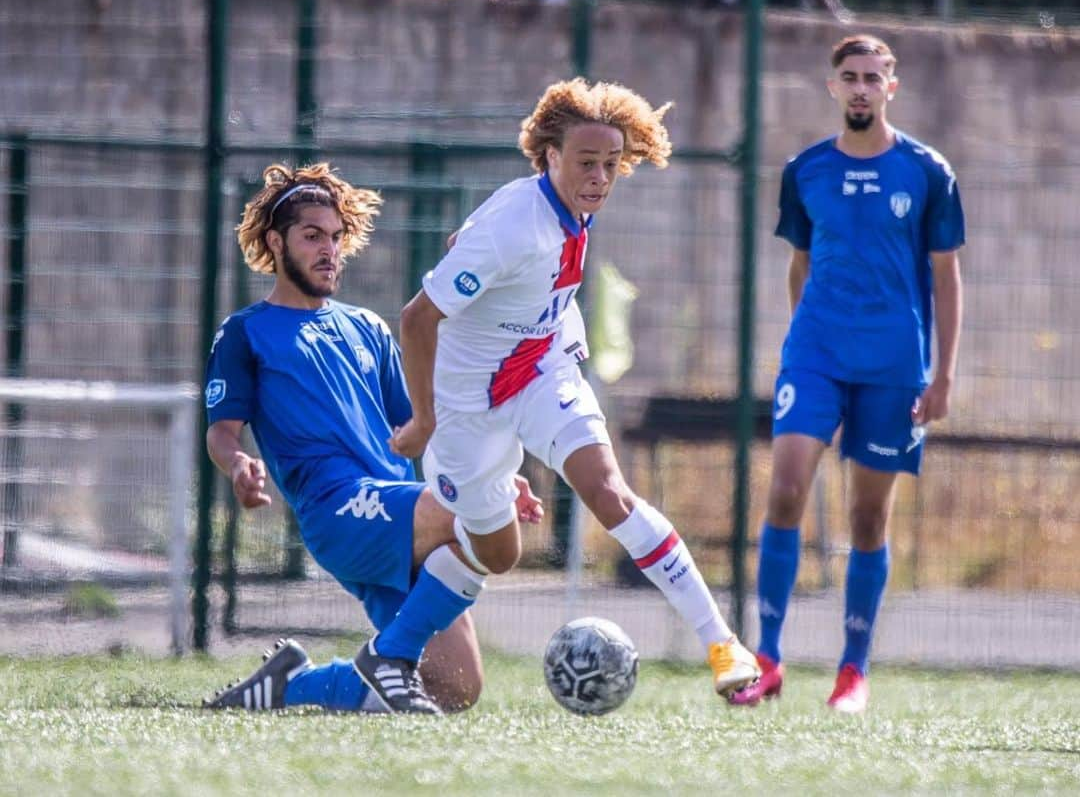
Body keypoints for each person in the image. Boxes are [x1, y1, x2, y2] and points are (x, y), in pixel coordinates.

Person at [386, 77, 761, 703]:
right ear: (550, 155)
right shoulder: (513, 223)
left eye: (611, 164)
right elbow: (417, 318)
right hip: (466, 411)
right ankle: (397, 640)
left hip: (540, 371)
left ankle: (722, 644)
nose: (600, 176)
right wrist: (423, 421)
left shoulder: (573, 212)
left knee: (609, 492)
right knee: (497, 555)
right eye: (586, 162)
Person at [202, 162, 543, 715]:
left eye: (335, 238)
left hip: (398, 511)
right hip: (339, 508)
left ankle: (294, 683)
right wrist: (238, 463)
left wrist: (499, 473)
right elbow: (221, 430)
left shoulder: (367, 327)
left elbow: (423, 427)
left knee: (456, 687)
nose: (328, 250)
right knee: (484, 523)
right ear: (275, 241)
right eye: (312, 236)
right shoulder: (246, 332)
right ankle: (390, 655)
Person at [729, 35, 964, 713]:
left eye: (873, 78)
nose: (860, 88)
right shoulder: (804, 170)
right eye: (849, 77)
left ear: (893, 87)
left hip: (894, 362)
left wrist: (942, 374)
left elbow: (948, 278)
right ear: (831, 86)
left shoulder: (927, 171)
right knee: (786, 486)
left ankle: (852, 672)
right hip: (817, 355)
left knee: (866, 517)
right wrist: (810, 334)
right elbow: (799, 262)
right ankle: (767, 657)